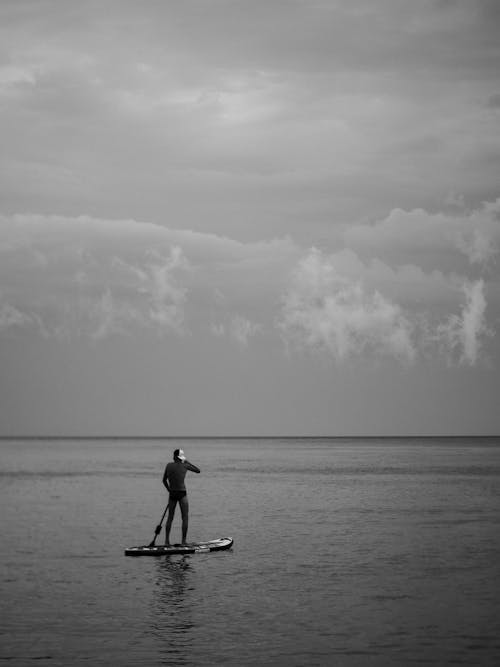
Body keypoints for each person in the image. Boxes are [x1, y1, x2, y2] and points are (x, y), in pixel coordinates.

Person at [162, 448, 200, 546]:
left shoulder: (168, 465)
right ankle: (183, 541)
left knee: (170, 517)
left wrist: (168, 490)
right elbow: (198, 470)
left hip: (172, 494)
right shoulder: (185, 465)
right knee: (185, 517)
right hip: (182, 493)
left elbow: (164, 480)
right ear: (180, 458)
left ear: (174, 457)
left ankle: (166, 541)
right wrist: (188, 462)